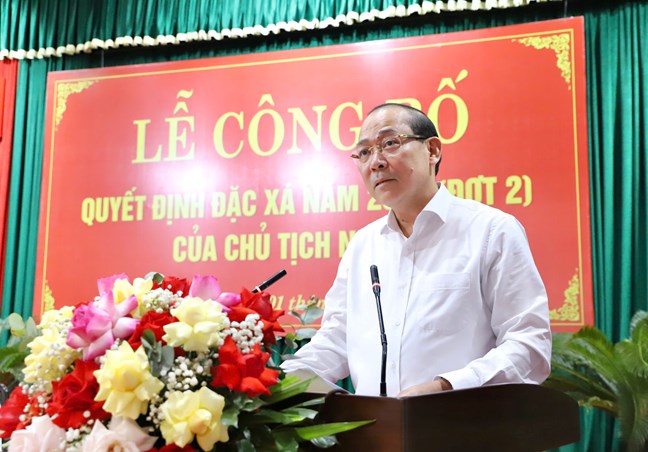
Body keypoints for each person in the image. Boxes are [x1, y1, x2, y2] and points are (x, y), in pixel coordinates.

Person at [281, 103, 552, 397]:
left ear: (432, 150)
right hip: (374, 425)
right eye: (364, 152)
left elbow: (529, 344)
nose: (376, 162)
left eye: (389, 143)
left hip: (462, 420)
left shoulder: (491, 231)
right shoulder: (363, 245)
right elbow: (335, 341)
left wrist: (446, 386)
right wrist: (274, 382)